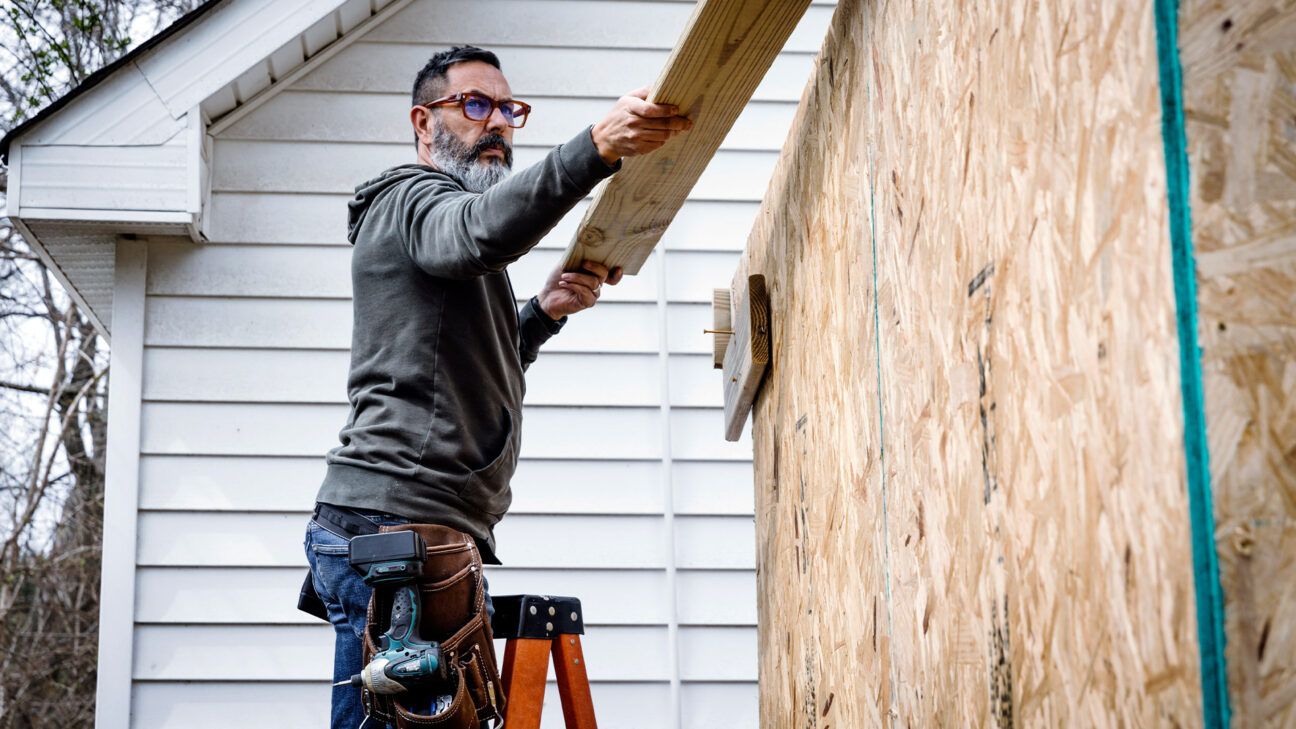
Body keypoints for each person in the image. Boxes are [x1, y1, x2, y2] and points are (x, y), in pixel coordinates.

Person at [300, 44, 692, 728]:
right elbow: (479, 233)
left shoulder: (446, 231)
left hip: (417, 525)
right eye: (474, 105)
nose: (499, 124)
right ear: (423, 123)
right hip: (391, 525)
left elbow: (480, 358)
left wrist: (541, 314)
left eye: (509, 109)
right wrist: (595, 148)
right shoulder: (411, 200)